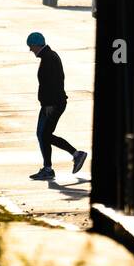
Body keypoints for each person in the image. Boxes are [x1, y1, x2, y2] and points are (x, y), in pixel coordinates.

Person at [27, 31, 87, 180]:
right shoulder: (49, 56)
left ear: (36, 44)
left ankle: (72, 156)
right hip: (52, 103)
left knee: (44, 135)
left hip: (53, 104)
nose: (30, 50)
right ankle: (52, 165)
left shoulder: (49, 58)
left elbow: (53, 84)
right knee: (43, 135)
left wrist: (49, 104)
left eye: (31, 46)